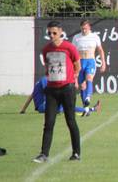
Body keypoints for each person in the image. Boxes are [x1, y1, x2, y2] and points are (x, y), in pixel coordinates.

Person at [33, 20, 81, 163]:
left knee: (71, 121)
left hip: (67, 89)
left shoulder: (69, 47)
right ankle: (43, 154)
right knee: (49, 122)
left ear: (61, 32)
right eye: (49, 33)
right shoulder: (46, 49)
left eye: (54, 33)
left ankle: (76, 153)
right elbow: (48, 67)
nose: (52, 35)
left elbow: (77, 65)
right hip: (52, 90)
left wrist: (73, 79)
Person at [20, 77, 101, 116]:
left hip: (43, 106)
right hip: (43, 106)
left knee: (66, 106)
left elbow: (31, 96)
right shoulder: (45, 80)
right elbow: (49, 92)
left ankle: (88, 110)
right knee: (67, 106)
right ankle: (87, 111)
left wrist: (23, 110)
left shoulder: (41, 81)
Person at [72, 20, 106, 111]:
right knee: (82, 85)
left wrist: (103, 63)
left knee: (89, 78)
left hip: (90, 61)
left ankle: (88, 97)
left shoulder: (94, 37)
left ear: (89, 28)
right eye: (82, 29)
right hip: (80, 62)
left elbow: (100, 50)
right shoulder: (76, 38)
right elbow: (73, 53)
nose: (84, 30)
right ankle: (86, 107)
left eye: (85, 28)